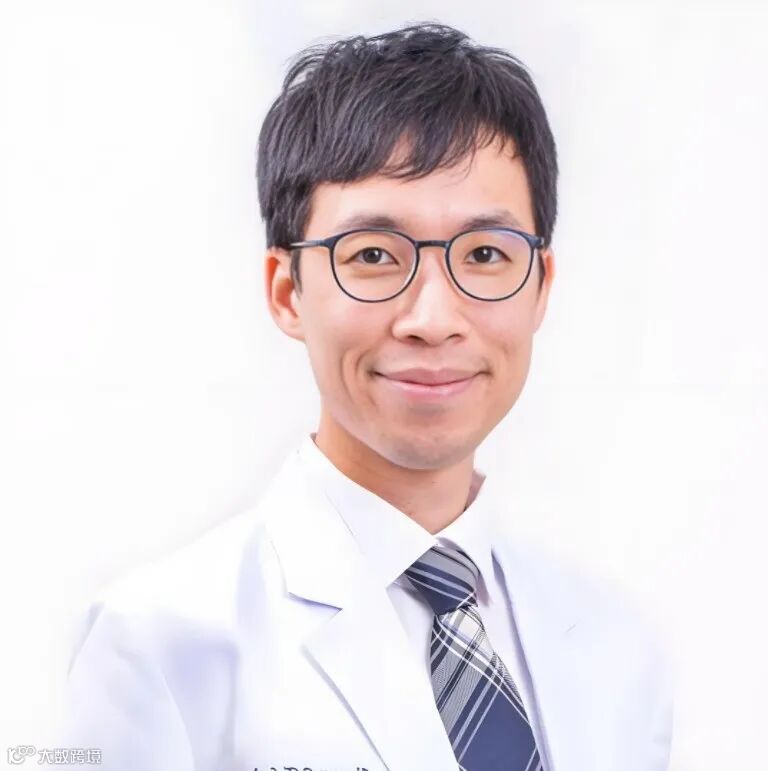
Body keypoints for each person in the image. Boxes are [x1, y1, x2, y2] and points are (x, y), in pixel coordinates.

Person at [56, 22, 674, 771]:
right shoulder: (156, 644)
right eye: (374, 255)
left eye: (485, 253)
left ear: (541, 286)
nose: (433, 318)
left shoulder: (617, 647)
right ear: (287, 291)